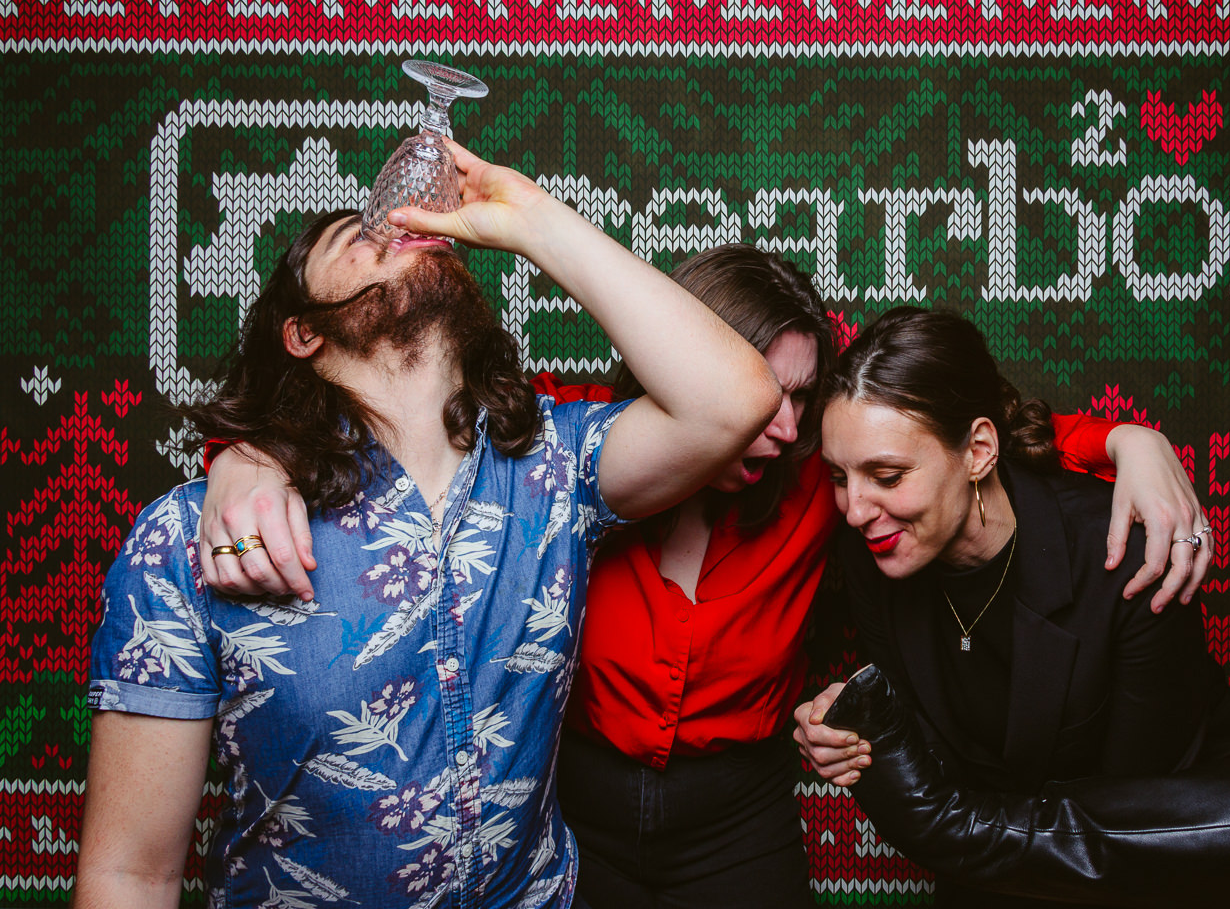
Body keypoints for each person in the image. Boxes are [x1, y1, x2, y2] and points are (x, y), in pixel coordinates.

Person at [196, 259, 1216, 909]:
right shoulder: (567, 453)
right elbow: (404, 436)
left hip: (737, 817)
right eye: (761, 394)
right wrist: (246, 459)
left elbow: (952, 437)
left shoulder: (827, 483)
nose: (781, 427)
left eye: (801, 398)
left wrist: (1125, 440)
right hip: (579, 810)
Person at [74, 144, 790, 908]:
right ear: (303, 333)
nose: (398, 225)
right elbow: (131, 873)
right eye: (359, 235)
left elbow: (736, 399)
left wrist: (533, 219)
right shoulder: (188, 539)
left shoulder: (555, 469)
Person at [794, 306, 1230, 909]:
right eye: (839, 477)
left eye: (887, 476)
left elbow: (1139, 802)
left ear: (979, 451)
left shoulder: (1125, 551)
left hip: (1167, 825)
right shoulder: (872, 556)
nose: (855, 509)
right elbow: (932, 758)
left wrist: (959, 828)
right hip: (1022, 856)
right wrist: (859, 735)